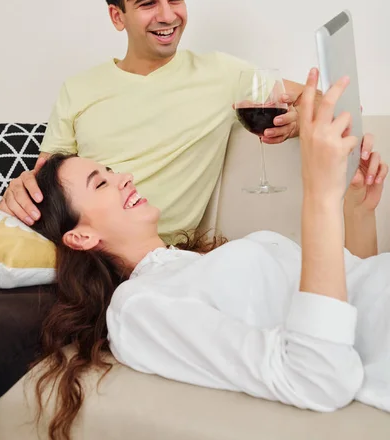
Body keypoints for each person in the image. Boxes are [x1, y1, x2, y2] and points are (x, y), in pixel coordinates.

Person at [30, 69, 389, 439]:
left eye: (110, 169)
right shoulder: (137, 307)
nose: (124, 177)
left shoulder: (191, 263)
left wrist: (357, 209)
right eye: (101, 182)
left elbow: (352, 294)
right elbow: (318, 374)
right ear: (81, 236)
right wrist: (319, 196)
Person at [0, 0, 326, 241]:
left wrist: (299, 120)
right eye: (148, 3)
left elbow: (317, 99)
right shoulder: (77, 90)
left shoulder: (222, 73)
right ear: (118, 16)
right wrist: (21, 188)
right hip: (88, 253)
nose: (168, 16)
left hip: (164, 259)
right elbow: (46, 182)